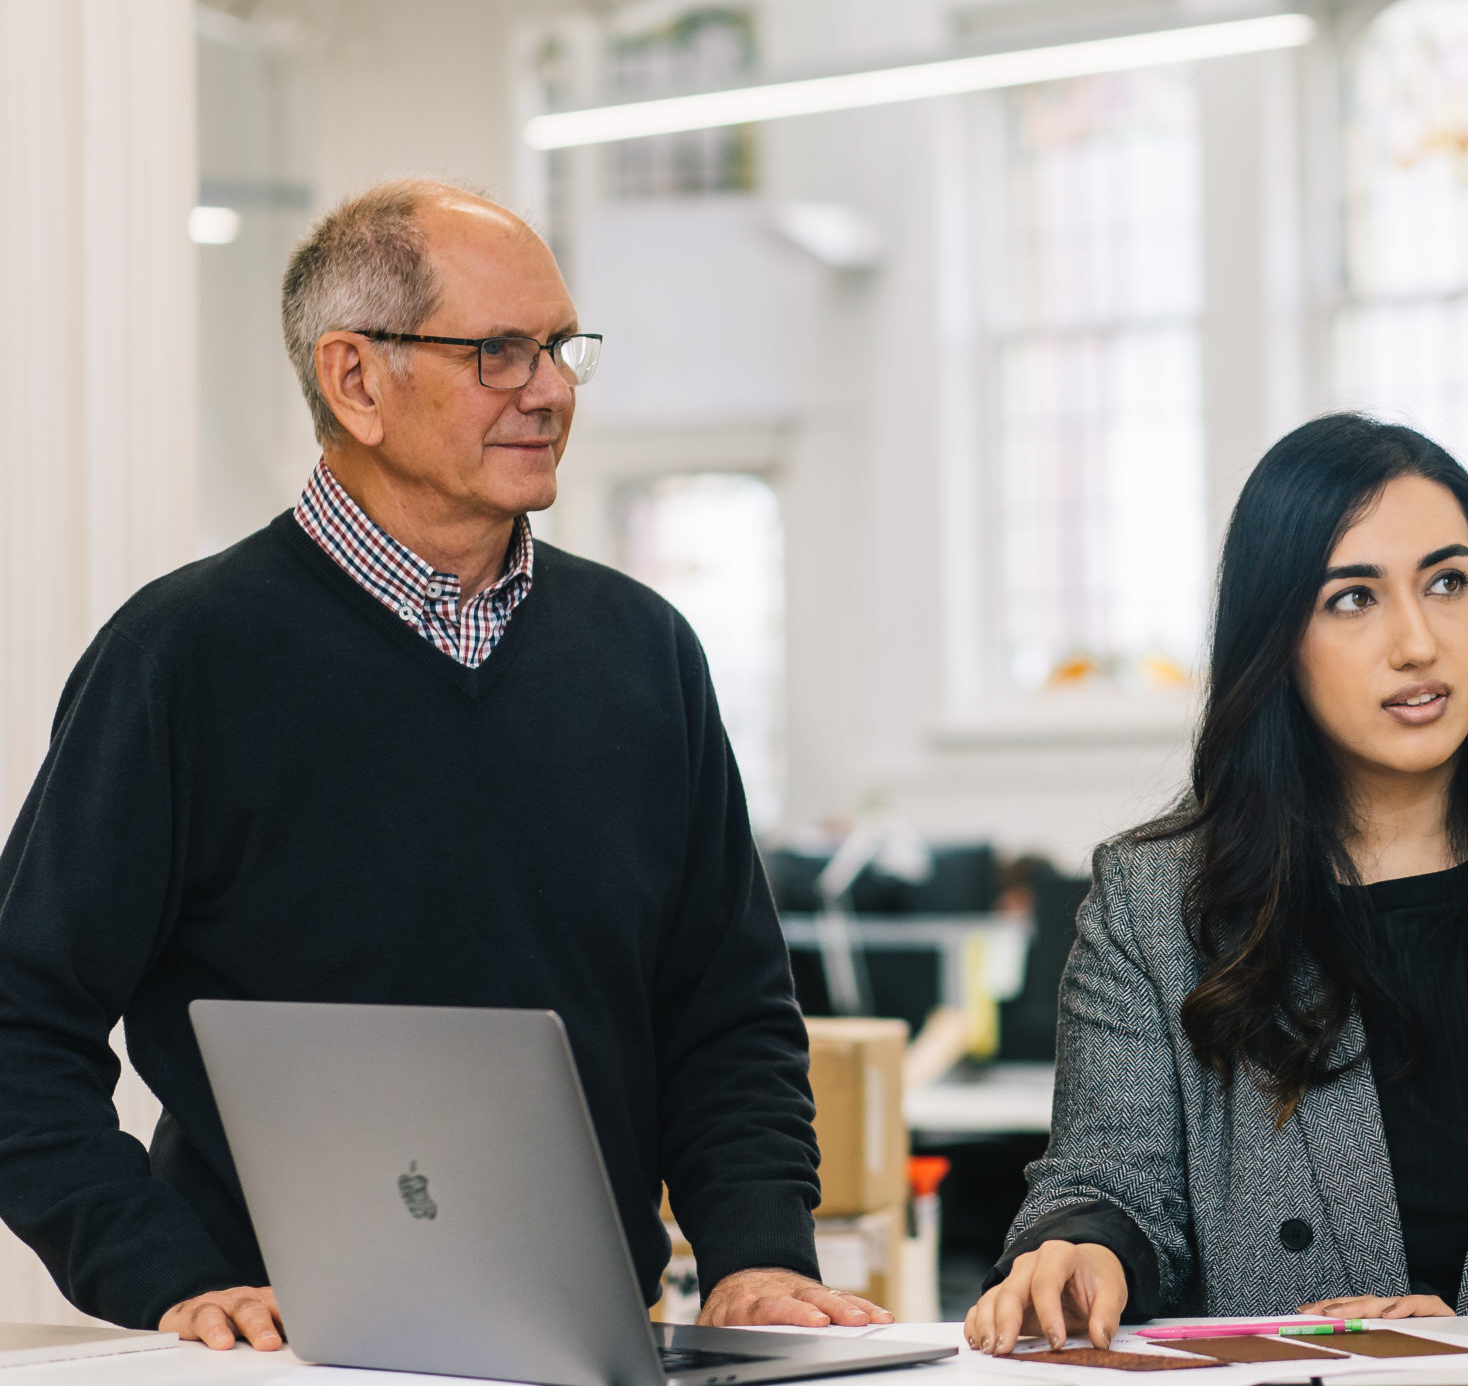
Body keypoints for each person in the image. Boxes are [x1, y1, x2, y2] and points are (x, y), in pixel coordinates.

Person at [0, 181, 889, 1347]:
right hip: (276, 1357)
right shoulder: (183, 661)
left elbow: (725, 1012)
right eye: (500, 353)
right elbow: (19, 1021)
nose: (553, 389)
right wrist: (163, 1271)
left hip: (590, 1344)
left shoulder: (643, 654)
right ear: (355, 380)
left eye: (562, 348)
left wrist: (758, 1256)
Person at [965, 415, 1468, 1354]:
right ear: (1275, 636)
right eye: (1353, 598)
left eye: (1448, 582)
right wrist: (1081, 1247)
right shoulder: (1152, 900)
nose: (1417, 642)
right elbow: (1108, 1179)